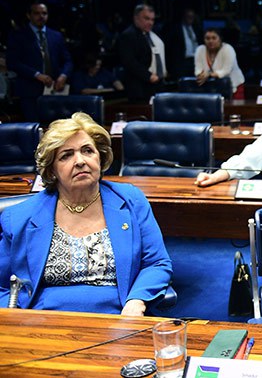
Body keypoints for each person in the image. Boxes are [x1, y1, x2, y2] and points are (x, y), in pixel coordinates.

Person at [0, 112, 172, 314]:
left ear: (100, 157)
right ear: (52, 169)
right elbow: (2, 286)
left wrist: (137, 302)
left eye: (87, 151)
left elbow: (157, 263)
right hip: (44, 322)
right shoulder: (20, 217)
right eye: (66, 155)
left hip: (120, 317)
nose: (80, 161)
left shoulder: (131, 200)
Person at [6, 1, 74, 121]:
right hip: (30, 91)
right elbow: (13, 62)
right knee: (35, 128)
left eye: (44, 13)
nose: (41, 16)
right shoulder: (18, 36)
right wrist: (37, 75)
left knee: (56, 128)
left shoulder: (56, 36)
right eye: (37, 13)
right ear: (29, 15)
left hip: (55, 89)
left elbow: (68, 60)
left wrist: (63, 76)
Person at [116, 4, 166, 102]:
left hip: (157, 84)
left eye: (152, 19)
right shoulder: (128, 35)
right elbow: (129, 62)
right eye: (147, 19)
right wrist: (149, 76)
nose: (150, 22)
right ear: (136, 18)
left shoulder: (153, 35)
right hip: (140, 87)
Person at [194, 28, 245, 99]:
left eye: (214, 38)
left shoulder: (228, 49)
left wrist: (208, 75)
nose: (210, 41)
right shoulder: (200, 49)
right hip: (213, 87)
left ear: (220, 39)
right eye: (207, 38)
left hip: (234, 85)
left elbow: (226, 71)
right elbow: (198, 69)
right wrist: (200, 75)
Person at [165, 7, 202, 78]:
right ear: (184, 17)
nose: (190, 19)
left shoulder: (197, 29)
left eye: (192, 17)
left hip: (195, 61)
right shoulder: (175, 29)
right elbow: (169, 47)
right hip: (182, 62)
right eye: (188, 16)